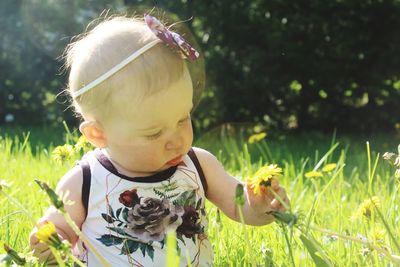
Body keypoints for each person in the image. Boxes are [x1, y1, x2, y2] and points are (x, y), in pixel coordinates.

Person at [29, 14, 290, 266]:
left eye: (182, 119)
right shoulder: (84, 180)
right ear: (99, 134)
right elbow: (60, 227)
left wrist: (259, 205)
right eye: (154, 133)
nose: (177, 140)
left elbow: (238, 204)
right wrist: (52, 242)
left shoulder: (199, 165)